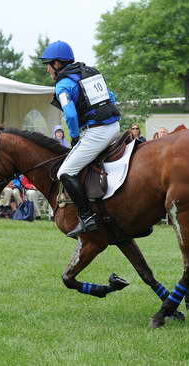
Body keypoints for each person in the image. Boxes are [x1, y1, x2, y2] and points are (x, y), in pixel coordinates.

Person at [41, 40, 120, 237]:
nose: (47, 70)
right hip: (114, 126)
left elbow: (71, 115)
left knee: (65, 172)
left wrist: (75, 137)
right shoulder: (91, 73)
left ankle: (87, 217)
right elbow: (111, 96)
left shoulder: (63, 85)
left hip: (97, 132)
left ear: (57, 64)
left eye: (48, 65)